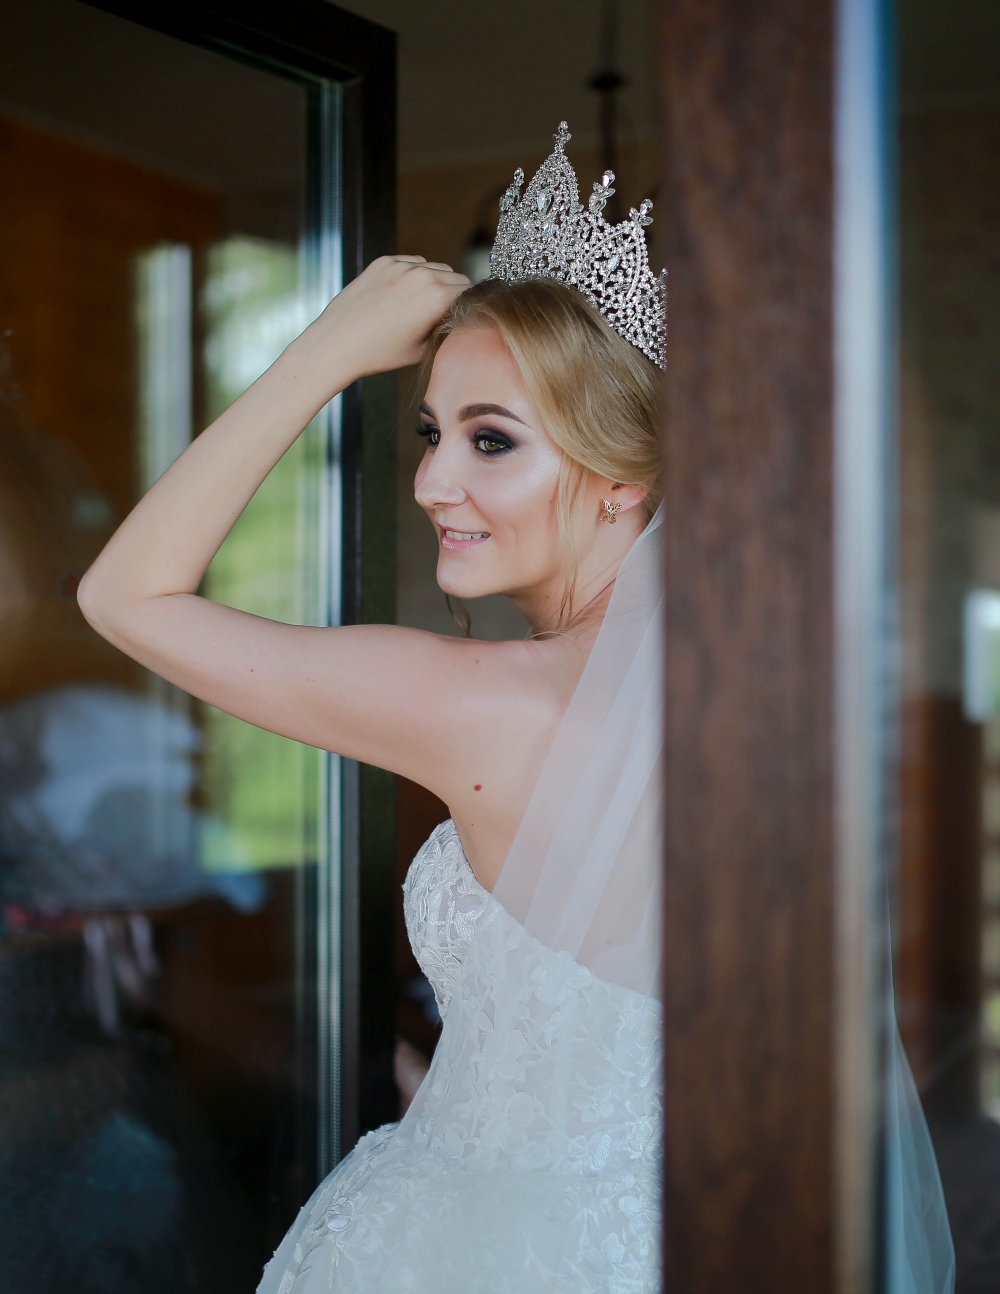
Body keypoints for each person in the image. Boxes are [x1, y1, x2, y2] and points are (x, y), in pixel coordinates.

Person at [80, 123, 666, 1293]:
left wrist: (325, 351)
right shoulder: (735, 704)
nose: (432, 480)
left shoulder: (489, 703)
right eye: (431, 431)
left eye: (490, 440)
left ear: (622, 480)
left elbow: (122, 594)